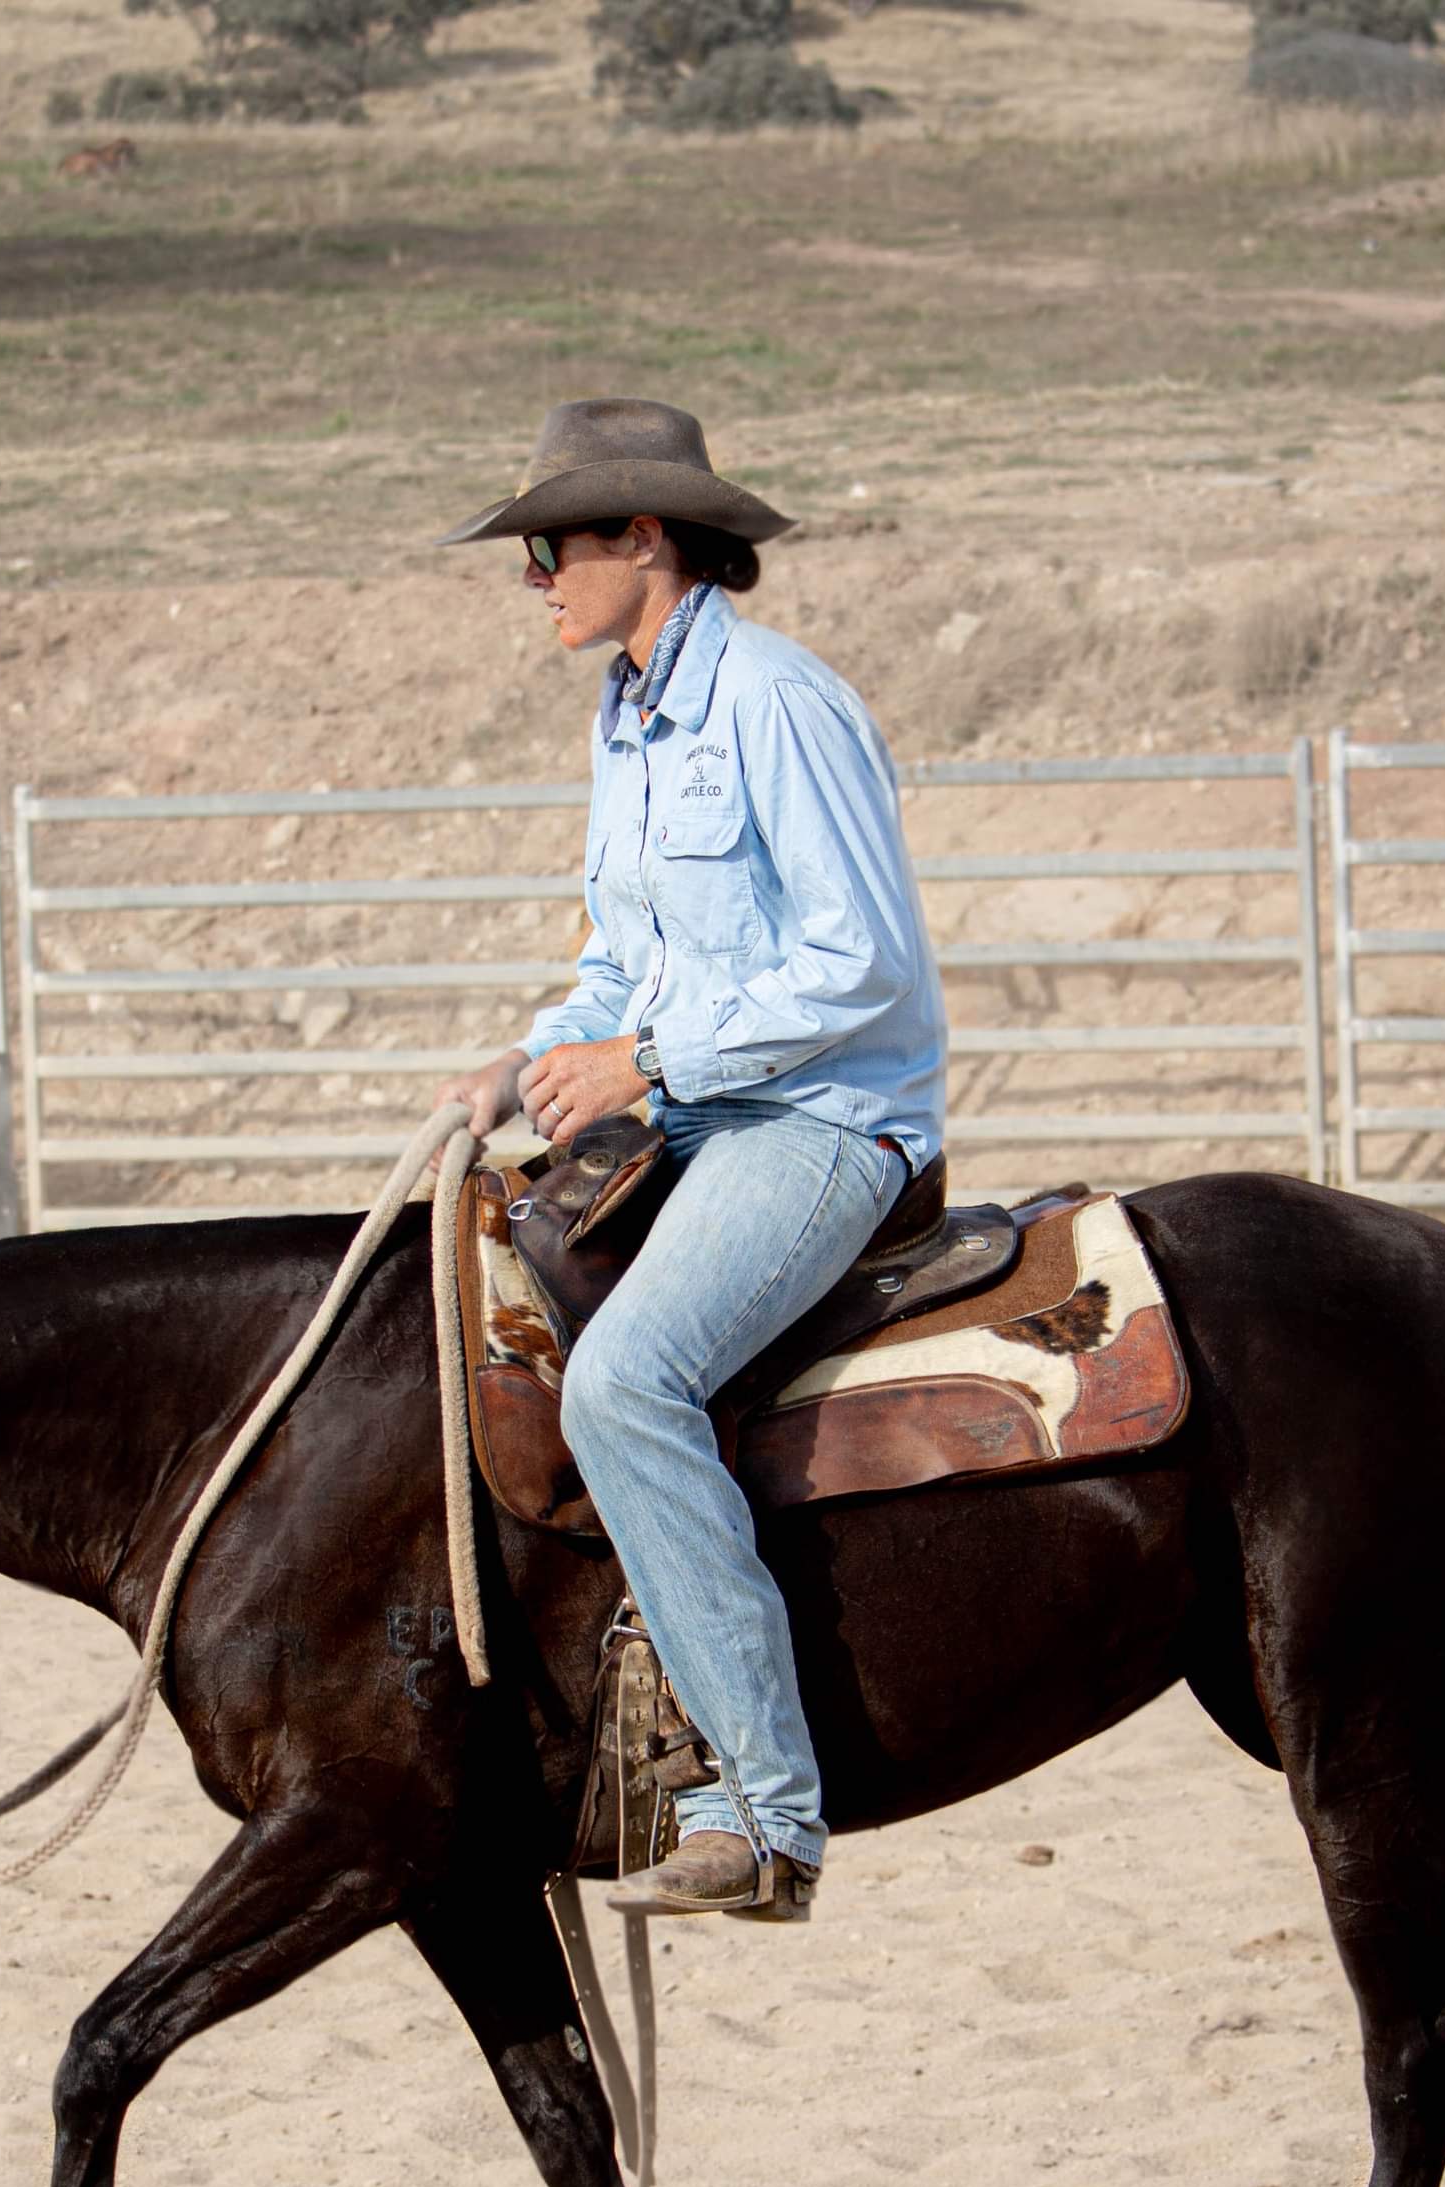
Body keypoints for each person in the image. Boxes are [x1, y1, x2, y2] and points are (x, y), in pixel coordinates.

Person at [431, 399, 948, 1918]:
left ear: (643, 535)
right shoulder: (628, 716)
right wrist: (529, 1062)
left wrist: (644, 1063)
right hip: (695, 1115)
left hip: (823, 1122)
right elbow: (623, 960)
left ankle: (767, 1813)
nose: (535, 579)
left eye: (550, 548)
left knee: (624, 1383)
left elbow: (859, 962)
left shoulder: (779, 704)